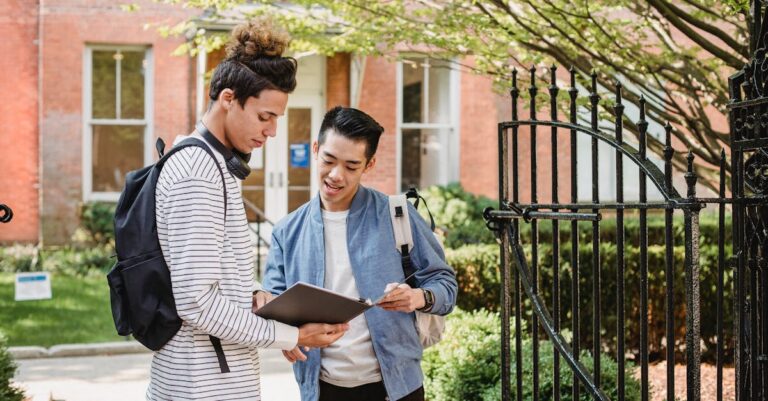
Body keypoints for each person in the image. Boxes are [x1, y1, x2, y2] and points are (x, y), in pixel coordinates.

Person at [148, 21, 348, 401]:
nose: (272, 131)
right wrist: (291, 335)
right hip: (202, 388)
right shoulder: (199, 172)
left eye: (277, 119)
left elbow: (211, 272)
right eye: (264, 117)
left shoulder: (211, 163)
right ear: (228, 98)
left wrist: (255, 293)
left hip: (211, 381)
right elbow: (196, 301)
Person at [260, 106, 458, 401]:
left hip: (397, 387)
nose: (336, 175)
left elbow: (446, 285)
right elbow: (273, 306)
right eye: (329, 160)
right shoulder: (287, 231)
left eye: (352, 166)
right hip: (321, 389)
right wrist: (284, 335)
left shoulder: (398, 215)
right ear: (316, 149)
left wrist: (417, 297)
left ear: (369, 164)